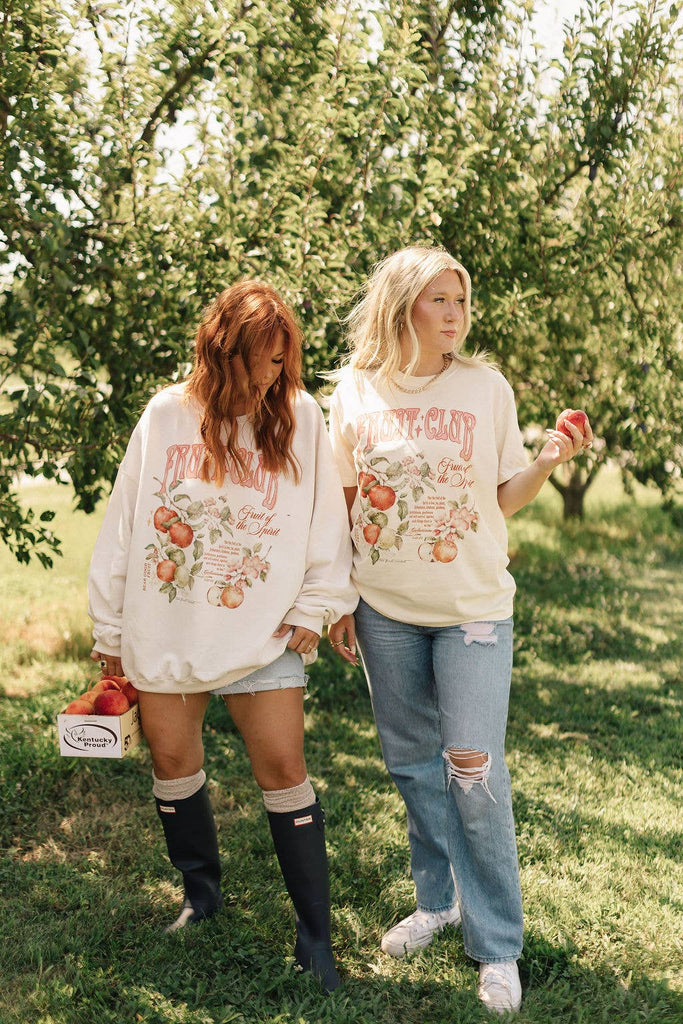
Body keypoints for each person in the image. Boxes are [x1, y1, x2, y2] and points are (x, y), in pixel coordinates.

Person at [327, 245, 593, 1014]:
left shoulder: (485, 387)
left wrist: (546, 460)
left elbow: (500, 497)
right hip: (384, 609)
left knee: (471, 771)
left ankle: (497, 943)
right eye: (439, 300)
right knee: (413, 766)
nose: (454, 314)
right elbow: (343, 507)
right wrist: (339, 599)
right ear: (401, 305)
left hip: (472, 607)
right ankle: (437, 902)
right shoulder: (353, 391)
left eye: (461, 300)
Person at [88, 280, 357, 992]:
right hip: (167, 622)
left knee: (283, 767)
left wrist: (315, 606)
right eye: (255, 360)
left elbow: (326, 522)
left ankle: (315, 936)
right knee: (173, 760)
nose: (267, 376)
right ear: (219, 351)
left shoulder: (300, 415)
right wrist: (109, 626)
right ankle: (201, 895)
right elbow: (124, 523)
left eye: (280, 361)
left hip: (265, 630)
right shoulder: (166, 415)